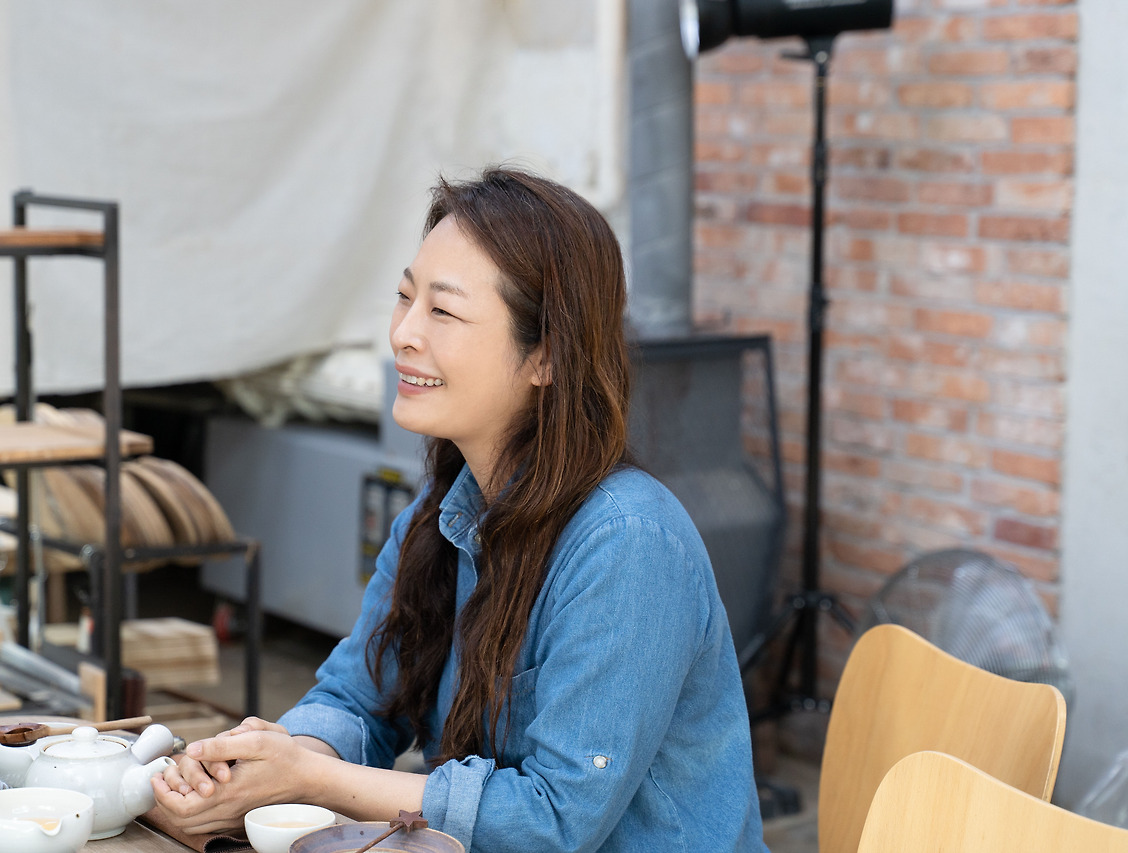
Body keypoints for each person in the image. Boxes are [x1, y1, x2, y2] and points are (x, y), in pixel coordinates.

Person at [149, 166, 767, 852]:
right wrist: (265, 763)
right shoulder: (442, 510)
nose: (404, 334)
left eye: (442, 312)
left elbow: (555, 822)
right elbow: (358, 698)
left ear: (546, 356)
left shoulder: (628, 542)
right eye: (404, 297)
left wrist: (313, 779)